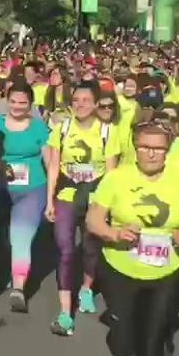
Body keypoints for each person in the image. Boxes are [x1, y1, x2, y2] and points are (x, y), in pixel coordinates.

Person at [87, 116, 179, 356]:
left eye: (159, 148)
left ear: (167, 150)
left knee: (154, 338)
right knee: (123, 338)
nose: (152, 154)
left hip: (166, 270)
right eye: (145, 147)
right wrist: (114, 233)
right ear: (135, 148)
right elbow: (93, 219)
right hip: (121, 268)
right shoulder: (117, 177)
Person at [45, 80, 120, 336]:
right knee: (65, 249)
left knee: (90, 247)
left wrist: (107, 207)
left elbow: (111, 173)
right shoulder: (62, 128)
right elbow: (54, 166)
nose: (80, 105)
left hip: (95, 194)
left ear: (97, 103)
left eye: (86, 101)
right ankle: (65, 313)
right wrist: (49, 200)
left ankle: (87, 288)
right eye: (76, 100)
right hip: (66, 192)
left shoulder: (108, 132)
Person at [0, 80, 50, 313]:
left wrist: (52, 194)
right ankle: (8, 270)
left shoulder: (39, 128)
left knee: (21, 236)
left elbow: (50, 160)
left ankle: (18, 286)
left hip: (32, 188)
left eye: (22, 103)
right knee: (1, 236)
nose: (17, 107)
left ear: (30, 105)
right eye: (13, 101)